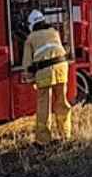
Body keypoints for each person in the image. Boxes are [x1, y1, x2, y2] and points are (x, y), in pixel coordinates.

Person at [22, 9, 73, 145]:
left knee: (43, 105)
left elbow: (27, 64)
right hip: (62, 67)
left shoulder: (30, 39)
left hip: (44, 71)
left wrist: (30, 79)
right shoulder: (54, 32)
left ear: (31, 25)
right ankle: (65, 135)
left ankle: (43, 141)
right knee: (62, 102)